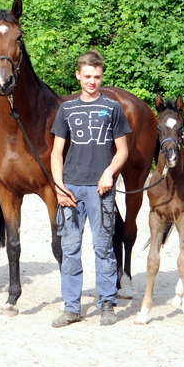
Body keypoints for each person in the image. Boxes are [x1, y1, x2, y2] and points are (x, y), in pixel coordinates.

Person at [50, 50, 131, 327]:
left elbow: (123, 150)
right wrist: (59, 187)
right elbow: (56, 152)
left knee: (103, 247)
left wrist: (109, 172)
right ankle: (71, 307)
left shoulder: (113, 108)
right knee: (70, 248)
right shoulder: (66, 110)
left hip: (101, 189)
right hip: (71, 189)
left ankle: (107, 303)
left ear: (101, 76)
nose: (92, 81)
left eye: (96, 76)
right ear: (78, 75)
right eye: (87, 76)